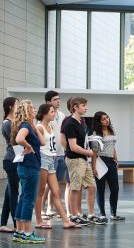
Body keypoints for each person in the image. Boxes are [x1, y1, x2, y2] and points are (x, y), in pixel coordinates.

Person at [34, 104, 79, 229]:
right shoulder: (39, 127)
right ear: (44, 113)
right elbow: (37, 145)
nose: (54, 113)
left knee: (57, 192)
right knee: (40, 191)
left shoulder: (50, 126)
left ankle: (66, 220)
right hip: (43, 160)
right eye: (52, 111)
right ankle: (38, 220)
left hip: (51, 159)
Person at [64, 97, 105, 225]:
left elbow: (84, 141)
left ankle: (91, 215)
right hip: (75, 159)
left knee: (92, 186)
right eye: (83, 105)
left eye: (86, 105)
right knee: (75, 188)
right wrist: (89, 153)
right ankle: (74, 215)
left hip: (83, 159)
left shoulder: (81, 122)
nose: (86, 107)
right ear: (74, 107)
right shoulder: (69, 123)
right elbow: (73, 146)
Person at [10, 100, 46, 244]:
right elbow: (20, 139)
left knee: (23, 198)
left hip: (25, 167)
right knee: (29, 200)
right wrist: (29, 146)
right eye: (32, 108)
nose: (35, 110)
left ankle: (19, 232)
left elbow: (43, 142)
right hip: (30, 167)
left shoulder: (26, 126)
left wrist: (34, 127)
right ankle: (26, 233)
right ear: (27, 111)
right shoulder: (25, 126)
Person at [91, 111, 125, 222]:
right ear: (99, 121)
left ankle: (113, 214)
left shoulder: (110, 130)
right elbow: (94, 152)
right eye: (104, 119)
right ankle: (102, 214)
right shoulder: (96, 133)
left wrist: (116, 158)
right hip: (100, 161)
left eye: (107, 118)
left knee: (115, 188)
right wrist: (94, 167)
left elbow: (112, 146)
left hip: (111, 161)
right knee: (101, 189)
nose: (107, 120)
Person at [42, 90, 66, 218]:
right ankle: (41, 209)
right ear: (48, 102)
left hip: (61, 153)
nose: (58, 101)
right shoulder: (45, 116)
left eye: (58, 99)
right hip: (50, 154)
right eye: (55, 99)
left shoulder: (62, 115)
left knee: (56, 183)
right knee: (46, 185)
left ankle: (51, 208)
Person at [0, 97, 19, 233]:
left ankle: (2, 223)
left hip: (15, 159)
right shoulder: (7, 123)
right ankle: (17, 224)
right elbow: (15, 142)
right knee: (14, 193)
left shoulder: (14, 122)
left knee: (9, 193)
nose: (19, 107)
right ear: (11, 107)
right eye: (17, 104)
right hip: (11, 160)